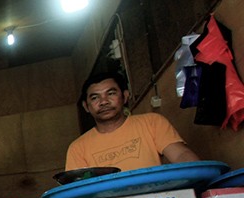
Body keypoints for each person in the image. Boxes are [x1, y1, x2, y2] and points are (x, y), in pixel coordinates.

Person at [65, 71, 200, 172]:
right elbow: (78, 188)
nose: (104, 102)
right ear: (86, 106)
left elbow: (180, 155)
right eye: (95, 98)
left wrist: (198, 174)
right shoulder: (78, 148)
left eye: (111, 93)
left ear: (125, 96)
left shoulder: (151, 122)